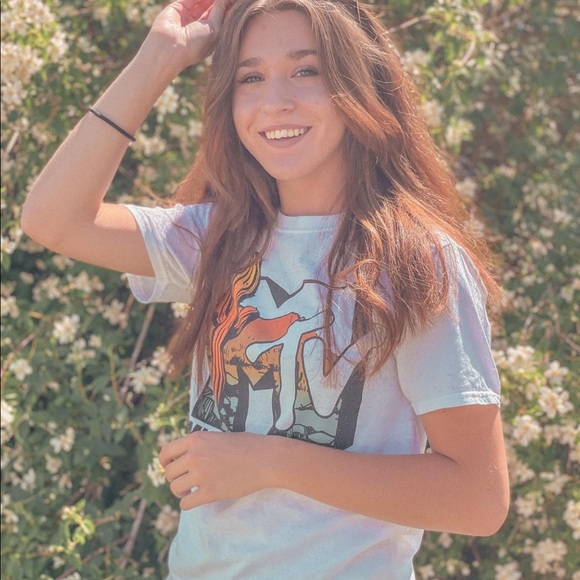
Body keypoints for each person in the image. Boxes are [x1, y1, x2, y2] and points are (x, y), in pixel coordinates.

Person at [21, 0, 510, 577]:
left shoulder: (416, 262)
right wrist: (160, 57)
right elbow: (53, 219)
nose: (275, 101)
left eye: (306, 70)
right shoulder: (216, 239)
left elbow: (477, 497)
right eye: (249, 77)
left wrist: (271, 463)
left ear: (359, 83)